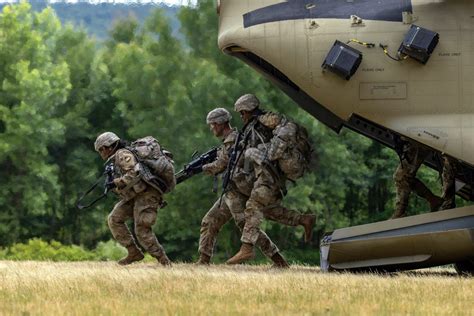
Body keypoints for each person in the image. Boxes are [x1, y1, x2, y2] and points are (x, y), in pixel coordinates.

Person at [197, 108, 315, 267]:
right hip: (235, 189)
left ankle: (278, 260)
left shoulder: (232, 140)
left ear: (219, 124)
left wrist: (202, 168)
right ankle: (203, 260)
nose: (211, 128)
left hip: (238, 191)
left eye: (212, 125)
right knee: (211, 220)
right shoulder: (232, 139)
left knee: (248, 226)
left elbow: (220, 165)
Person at [226, 94, 314, 265]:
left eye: (242, 112)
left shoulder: (263, 122)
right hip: (264, 175)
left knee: (253, 206)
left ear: (249, 110)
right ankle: (303, 220)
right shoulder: (253, 126)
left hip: (268, 176)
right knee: (269, 210)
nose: (241, 116)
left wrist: (259, 152)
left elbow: (276, 142)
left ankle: (246, 248)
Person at [94, 132, 171, 266]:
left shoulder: (122, 154)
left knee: (142, 229)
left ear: (109, 146)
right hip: (135, 196)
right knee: (114, 219)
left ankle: (164, 261)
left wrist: (117, 182)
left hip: (147, 194)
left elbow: (134, 173)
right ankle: (134, 252)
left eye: (102, 149)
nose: (101, 152)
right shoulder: (116, 158)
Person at [390, 139, 444, 219]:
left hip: (417, 139)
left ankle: (400, 212)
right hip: (414, 139)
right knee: (405, 177)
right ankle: (434, 200)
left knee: (402, 176)